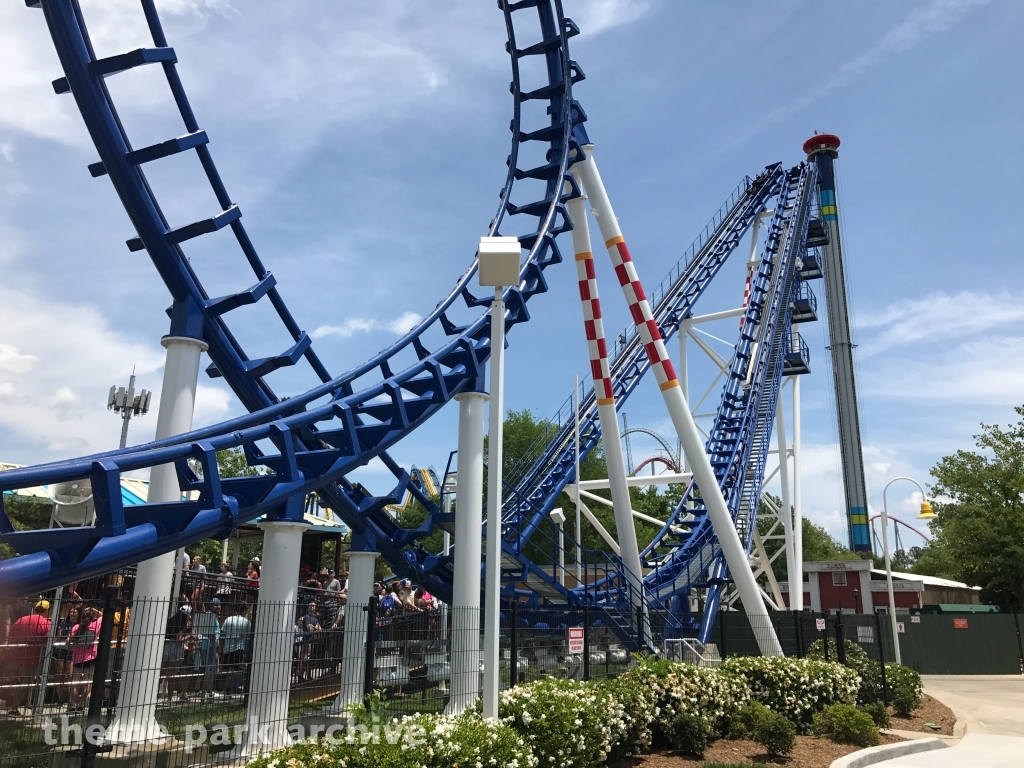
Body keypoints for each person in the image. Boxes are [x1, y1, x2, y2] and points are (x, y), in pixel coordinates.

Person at [7, 600, 52, 714]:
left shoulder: (21, 620)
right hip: (30, 660)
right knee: (23, 684)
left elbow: (11, 636)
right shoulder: (45, 623)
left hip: (14, 657)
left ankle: (10, 704)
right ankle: (14, 708)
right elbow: (49, 640)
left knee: (11, 680)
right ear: (46, 611)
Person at [68, 607, 102, 713]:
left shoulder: (76, 627)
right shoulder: (94, 626)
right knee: (87, 683)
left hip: (77, 659)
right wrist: (94, 610)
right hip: (90, 658)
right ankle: (81, 705)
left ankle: (72, 704)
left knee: (75, 682)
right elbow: (103, 616)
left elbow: (68, 641)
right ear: (92, 618)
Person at [192, 599, 221, 699]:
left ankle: (205, 691)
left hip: (207, 645)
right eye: (216, 605)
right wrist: (216, 640)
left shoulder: (210, 616)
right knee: (209, 669)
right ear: (211, 606)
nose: (219, 607)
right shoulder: (210, 616)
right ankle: (208, 692)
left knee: (206, 668)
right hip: (209, 645)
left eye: (219, 605)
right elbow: (210, 631)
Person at [220, 605, 251, 695]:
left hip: (227, 647)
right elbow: (247, 635)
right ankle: (229, 688)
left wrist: (221, 646)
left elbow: (223, 633)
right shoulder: (247, 622)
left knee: (226, 668)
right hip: (239, 647)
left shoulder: (228, 619)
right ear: (245, 611)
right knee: (235, 669)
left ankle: (225, 687)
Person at [53, 606, 79, 705]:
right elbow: (59, 635)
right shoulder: (64, 622)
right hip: (61, 649)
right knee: (60, 674)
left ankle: (69, 698)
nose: (72, 614)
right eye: (71, 612)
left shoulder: (79, 624)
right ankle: (60, 698)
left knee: (69, 675)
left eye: (74, 612)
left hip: (72, 651)